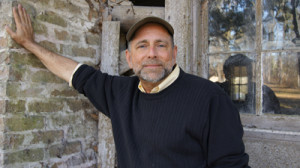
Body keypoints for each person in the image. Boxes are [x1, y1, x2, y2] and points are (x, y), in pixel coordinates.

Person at [6, 4, 250, 168]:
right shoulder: (120, 93)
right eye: (142, 46)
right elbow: (74, 72)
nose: (151, 54)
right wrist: (30, 44)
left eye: (161, 45)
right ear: (130, 58)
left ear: (174, 54)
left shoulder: (210, 98)